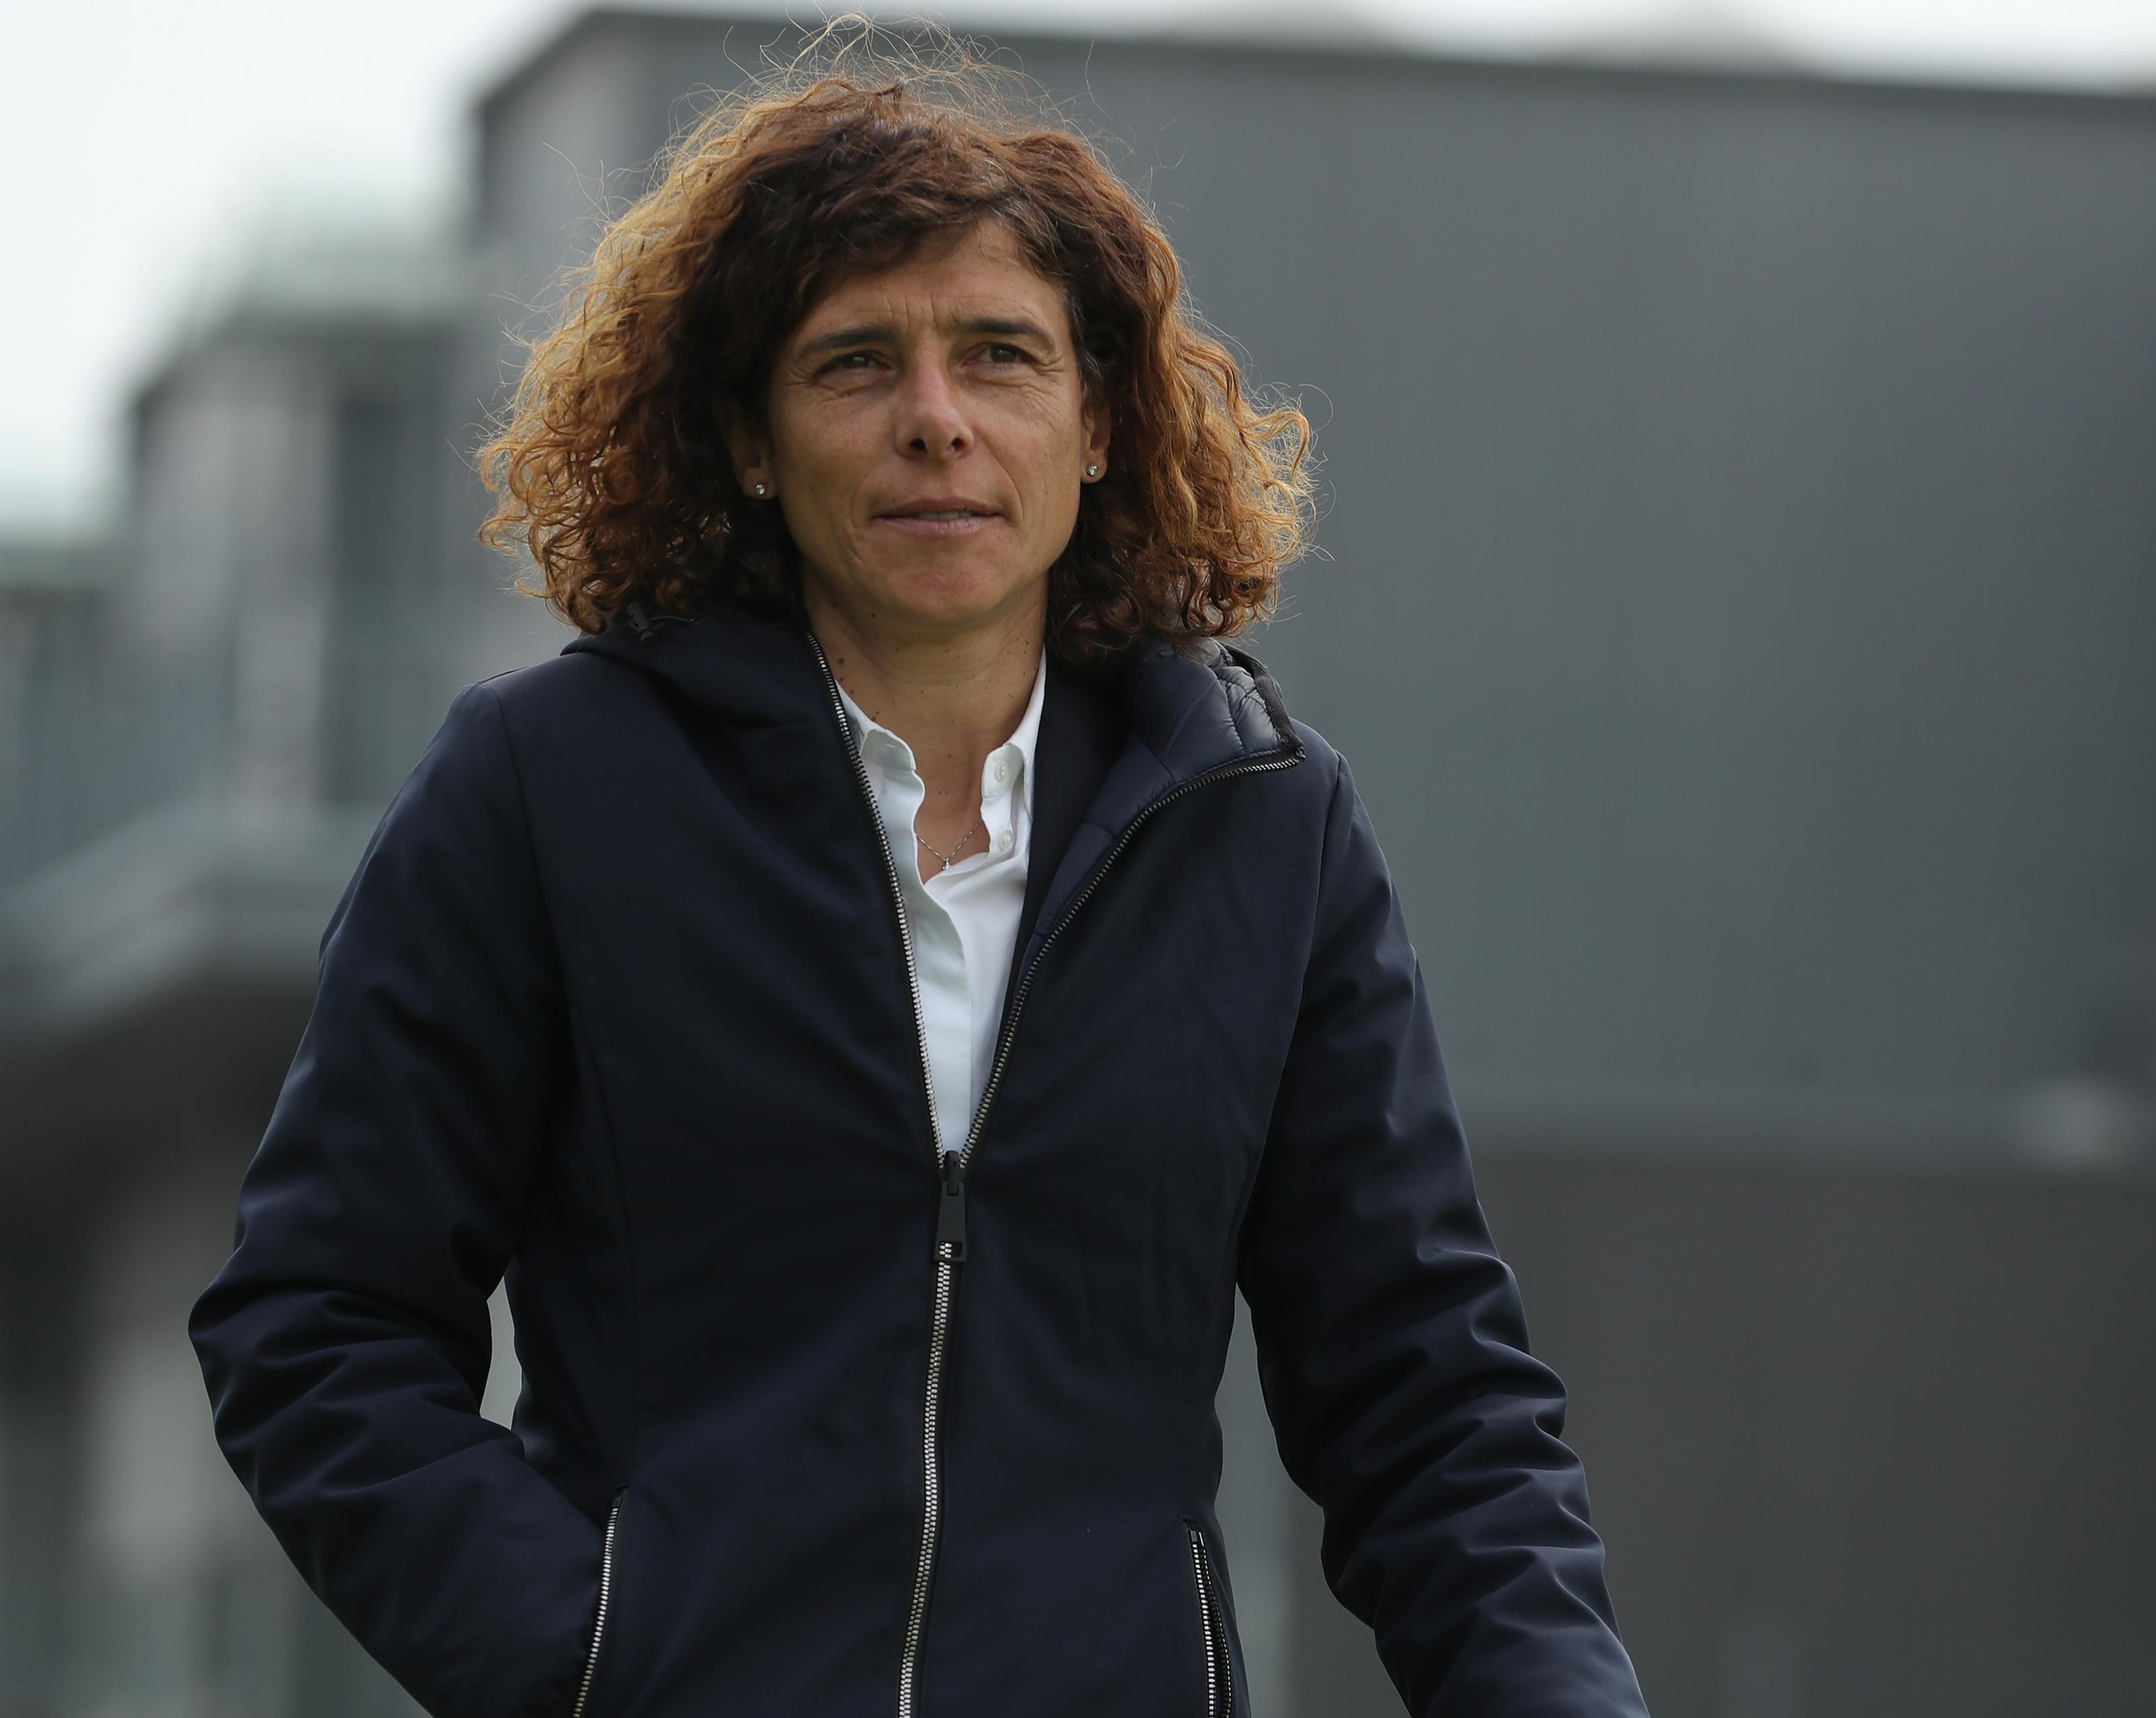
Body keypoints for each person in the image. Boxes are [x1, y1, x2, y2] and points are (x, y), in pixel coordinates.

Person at [189, 42, 1651, 1718]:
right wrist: (591, 1660)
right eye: (856, 363)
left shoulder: (1266, 827)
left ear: (1099, 424)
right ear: (748, 438)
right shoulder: (544, 788)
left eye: (1001, 357)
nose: (935, 417)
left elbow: (1428, 1401)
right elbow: (315, 1322)